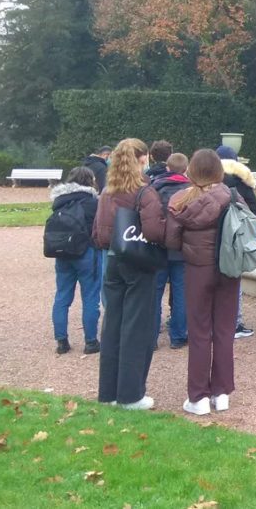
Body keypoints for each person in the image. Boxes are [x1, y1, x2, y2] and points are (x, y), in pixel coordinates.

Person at [91, 138, 166, 410]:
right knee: (137, 328)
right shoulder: (145, 193)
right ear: (144, 159)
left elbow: (99, 233)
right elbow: (155, 232)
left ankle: (109, 392)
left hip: (112, 261)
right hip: (137, 263)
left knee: (112, 325)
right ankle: (131, 394)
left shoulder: (107, 192)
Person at [165, 149, 240, 415]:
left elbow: (171, 240)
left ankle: (198, 397)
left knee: (199, 332)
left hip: (197, 269)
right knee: (224, 330)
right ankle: (221, 393)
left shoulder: (180, 199)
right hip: (228, 268)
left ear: (192, 171)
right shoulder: (231, 195)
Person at [48, 166, 102, 355]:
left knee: (62, 296)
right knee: (90, 298)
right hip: (87, 252)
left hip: (63, 251)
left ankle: (61, 340)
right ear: (90, 181)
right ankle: (91, 341)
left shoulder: (58, 201)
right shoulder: (93, 202)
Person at [217, 144, 256, 339]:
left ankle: (216, 321)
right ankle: (235, 323)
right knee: (234, 280)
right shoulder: (242, 181)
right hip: (235, 236)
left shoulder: (208, 179)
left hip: (211, 236)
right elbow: (254, 210)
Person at [151, 152, 190, 350]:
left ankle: (151, 337)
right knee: (181, 291)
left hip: (158, 245)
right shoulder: (190, 190)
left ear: (167, 168)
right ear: (186, 169)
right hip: (181, 246)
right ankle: (178, 335)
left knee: (155, 292)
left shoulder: (154, 188)